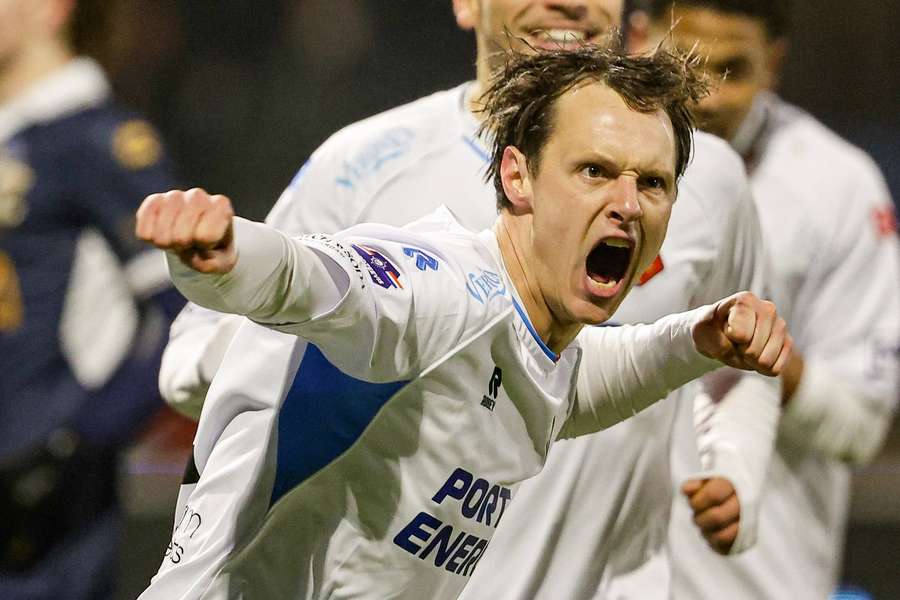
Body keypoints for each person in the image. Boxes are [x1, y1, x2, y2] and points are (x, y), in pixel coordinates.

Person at [137, 44, 791, 600]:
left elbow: (581, 379)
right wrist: (222, 257)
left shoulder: (537, 336)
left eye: (652, 183)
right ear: (517, 176)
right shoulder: (441, 292)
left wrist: (699, 338)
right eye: (593, 171)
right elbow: (313, 278)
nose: (626, 204)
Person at [617, 1, 900, 598]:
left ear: (773, 63)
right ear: (639, 40)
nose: (708, 95)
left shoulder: (835, 186)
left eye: (733, 69)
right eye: (689, 62)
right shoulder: (581, 160)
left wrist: (760, 353)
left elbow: (860, 430)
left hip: (753, 580)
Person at [0, 0, 182, 598]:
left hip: (44, 517)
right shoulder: (15, 133)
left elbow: (183, 309)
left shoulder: (95, 136)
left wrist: (73, 445)